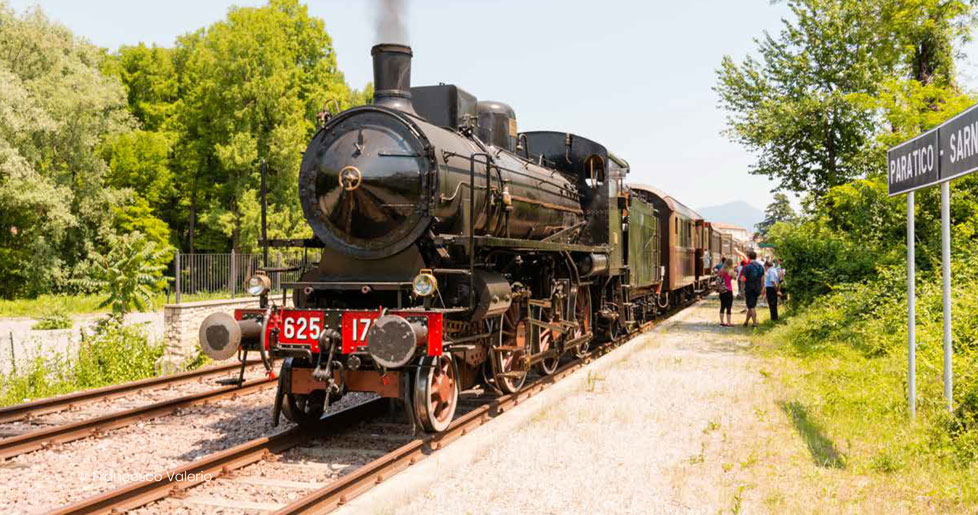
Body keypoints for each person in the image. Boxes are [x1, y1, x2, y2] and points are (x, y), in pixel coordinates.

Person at [741, 251, 764, 327]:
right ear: (756, 257)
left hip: (749, 288)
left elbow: (742, 279)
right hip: (757, 288)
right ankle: (746, 322)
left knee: (751, 306)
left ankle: (754, 323)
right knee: (751, 305)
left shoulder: (747, 267)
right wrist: (761, 287)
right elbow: (762, 278)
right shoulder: (760, 267)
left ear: (748, 257)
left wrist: (742, 287)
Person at [717, 259, 734, 326]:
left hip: (722, 291)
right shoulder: (730, 271)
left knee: (722, 306)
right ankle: (728, 322)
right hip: (729, 290)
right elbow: (735, 277)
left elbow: (718, 280)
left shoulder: (721, 271)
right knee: (729, 307)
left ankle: (721, 322)